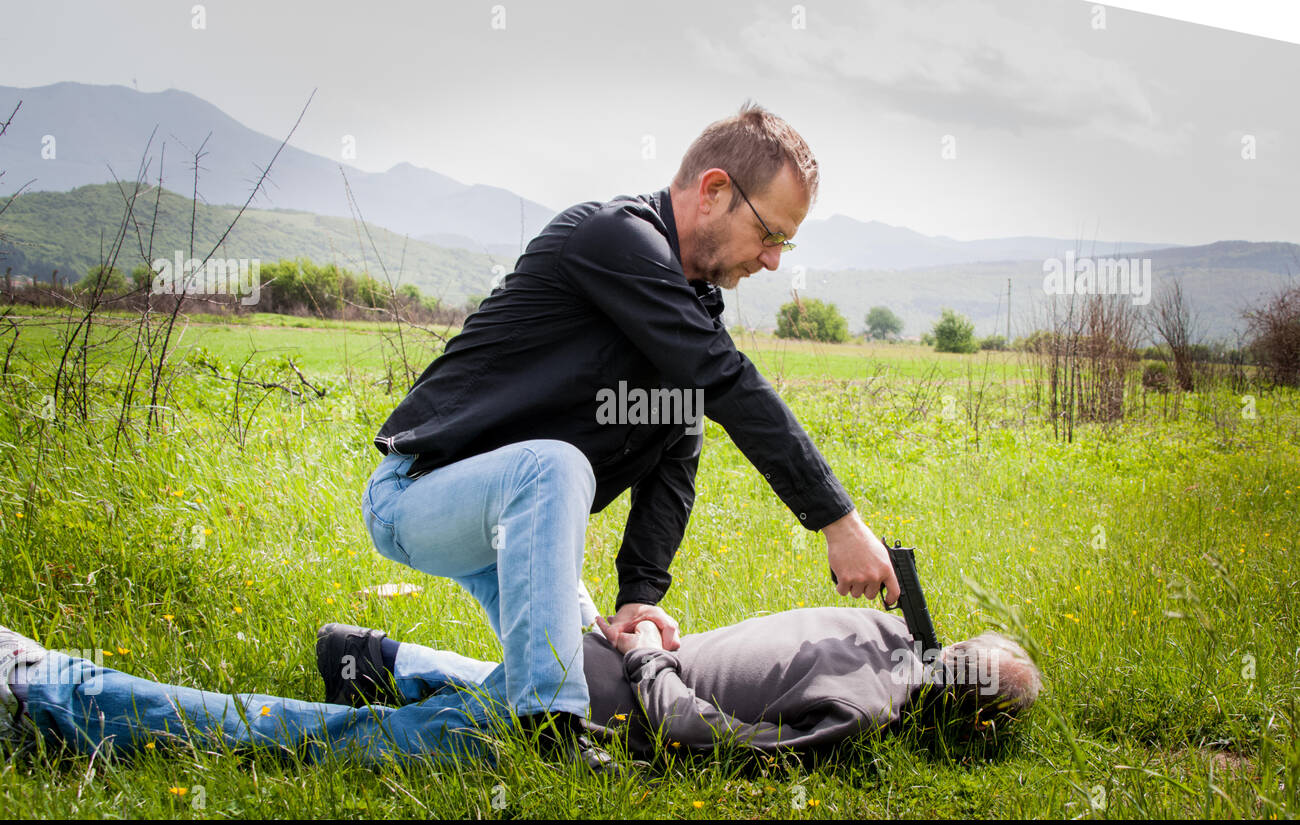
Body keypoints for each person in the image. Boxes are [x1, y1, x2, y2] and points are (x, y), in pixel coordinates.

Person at [362, 102, 902, 768]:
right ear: (713, 191)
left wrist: (638, 597)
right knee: (553, 473)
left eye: (785, 244)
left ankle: (369, 661)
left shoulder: (689, 304)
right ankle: (549, 740)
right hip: (419, 494)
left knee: (597, 673)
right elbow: (728, 380)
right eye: (768, 233)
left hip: (516, 519)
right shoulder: (613, 240)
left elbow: (675, 461)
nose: (770, 261)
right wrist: (838, 520)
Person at [0, 609, 1041, 768]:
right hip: (581, 703)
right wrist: (645, 660)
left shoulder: (872, 624)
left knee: (428, 703)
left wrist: (631, 642)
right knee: (306, 740)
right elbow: (696, 733)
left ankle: (386, 661)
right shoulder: (871, 706)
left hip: (565, 656)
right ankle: (53, 686)